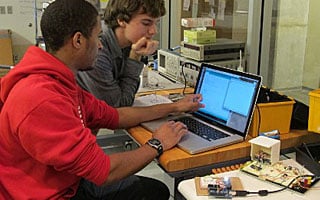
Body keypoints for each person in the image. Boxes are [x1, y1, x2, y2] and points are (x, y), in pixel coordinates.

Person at [0, 0, 204, 199]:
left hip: (68, 182)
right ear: (78, 40)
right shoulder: (41, 98)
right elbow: (105, 172)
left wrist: (174, 106)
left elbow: (116, 115)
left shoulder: (60, 81)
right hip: (54, 194)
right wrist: (157, 143)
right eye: (97, 37)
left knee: (154, 190)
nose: (100, 45)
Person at [77, 0, 165, 107]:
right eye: (146, 23)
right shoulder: (98, 50)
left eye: (156, 23)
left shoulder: (129, 43)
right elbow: (118, 106)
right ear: (121, 20)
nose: (153, 31)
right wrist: (135, 57)